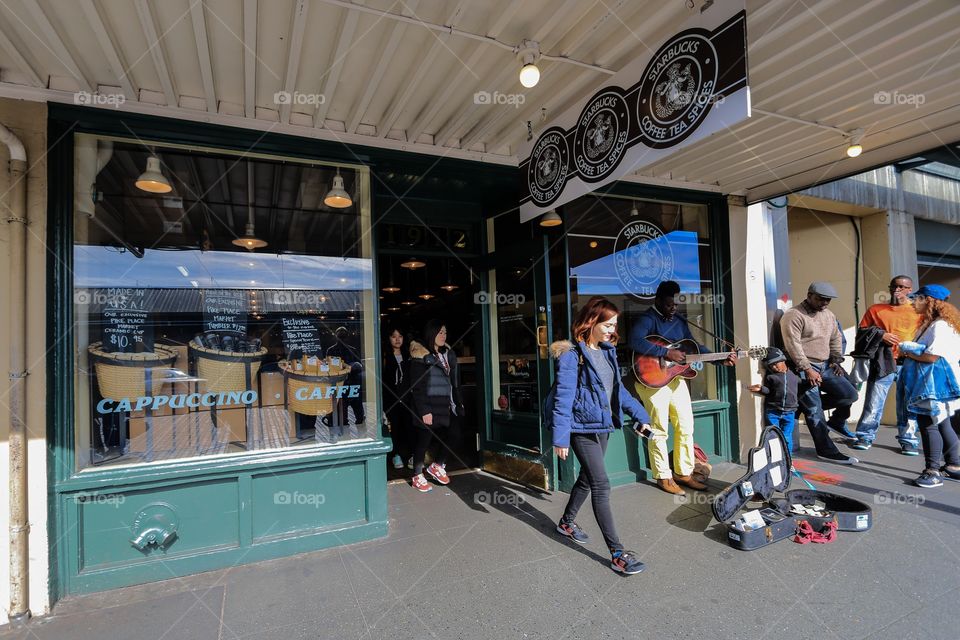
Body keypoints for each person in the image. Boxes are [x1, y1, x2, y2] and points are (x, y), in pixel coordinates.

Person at [550, 296, 652, 575]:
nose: (611, 330)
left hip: (603, 425)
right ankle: (618, 553)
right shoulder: (572, 355)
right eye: (607, 324)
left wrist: (642, 416)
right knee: (601, 484)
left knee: (587, 478)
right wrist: (560, 438)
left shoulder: (607, 352)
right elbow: (563, 398)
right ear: (591, 322)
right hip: (580, 428)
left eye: (614, 325)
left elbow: (619, 392)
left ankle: (566, 523)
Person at [629, 281, 737, 495]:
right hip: (652, 380)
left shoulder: (678, 320)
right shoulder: (647, 319)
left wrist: (720, 359)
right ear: (658, 300)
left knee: (686, 425)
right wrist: (665, 353)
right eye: (669, 304)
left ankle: (683, 472)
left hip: (675, 379)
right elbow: (633, 340)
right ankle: (663, 475)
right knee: (659, 430)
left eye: (676, 305)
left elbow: (695, 347)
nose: (673, 308)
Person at [780, 282, 859, 464]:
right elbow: (793, 345)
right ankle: (826, 450)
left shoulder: (829, 315)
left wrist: (836, 359)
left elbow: (836, 337)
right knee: (815, 411)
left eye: (827, 300)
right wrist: (807, 368)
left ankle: (801, 407)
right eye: (820, 299)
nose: (824, 303)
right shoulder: (794, 315)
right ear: (809, 295)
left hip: (826, 365)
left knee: (849, 395)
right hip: (803, 367)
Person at [850, 276, 922, 454]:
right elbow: (862, 332)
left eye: (902, 287)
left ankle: (908, 440)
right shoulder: (876, 309)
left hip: (911, 363)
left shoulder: (918, 310)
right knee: (874, 401)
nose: (898, 290)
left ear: (909, 289)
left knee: (908, 404)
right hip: (884, 361)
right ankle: (864, 436)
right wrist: (881, 335)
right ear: (889, 288)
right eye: (895, 286)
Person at [897, 285, 960, 488]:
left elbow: (931, 357)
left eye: (917, 299)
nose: (913, 302)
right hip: (937, 382)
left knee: (928, 422)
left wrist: (907, 351)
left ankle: (932, 471)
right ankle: (954, 466)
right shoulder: (936, 323)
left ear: (929, 300)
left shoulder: (940, 326)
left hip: (934, 383)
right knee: (942, 422)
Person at [408, 320, 462, 492]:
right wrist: (424, 410)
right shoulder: (421, 355)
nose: (443, 336)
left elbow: (454, 382)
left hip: (446, 404)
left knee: (455, 433)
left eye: (445, 332)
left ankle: (437, 465)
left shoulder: (448, 354)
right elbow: (417, 387)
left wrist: (458, 403)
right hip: (429, 405)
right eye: (439, 332)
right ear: (431, 334)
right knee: (424, 440)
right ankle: (417, 475)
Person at [749, 347, 799, 455]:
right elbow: (769, 391)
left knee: (787, 436)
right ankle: (775, 458)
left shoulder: (794, 376)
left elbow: (802, 384)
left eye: (776, 363)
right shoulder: (771, 377)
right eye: (771, 366)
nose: (774, 367)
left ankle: (788, 460)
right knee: (773, 436)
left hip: (789, 412)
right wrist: (761, 389)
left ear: (783, 360)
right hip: (773, 411)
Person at [382, 327, 412, 470]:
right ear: (388, 338)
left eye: (400, 336)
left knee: (409, 427)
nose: (397, 339)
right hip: (391, 399)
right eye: (394, 336)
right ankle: (396, 455)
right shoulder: (384, 355)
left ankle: (411, 455)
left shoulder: (408, 354)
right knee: (395, 428)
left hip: (407, 398)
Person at [326, 326, 365, 433]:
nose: (341, 339)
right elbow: (359, 367)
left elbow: (359, 367)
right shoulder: (348, 350)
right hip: (347, 386)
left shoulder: (332, 350)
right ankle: (358, 433)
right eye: (341, 336)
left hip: (345, 386)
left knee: (352, 414)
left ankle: (351, 432)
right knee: (353, 414)